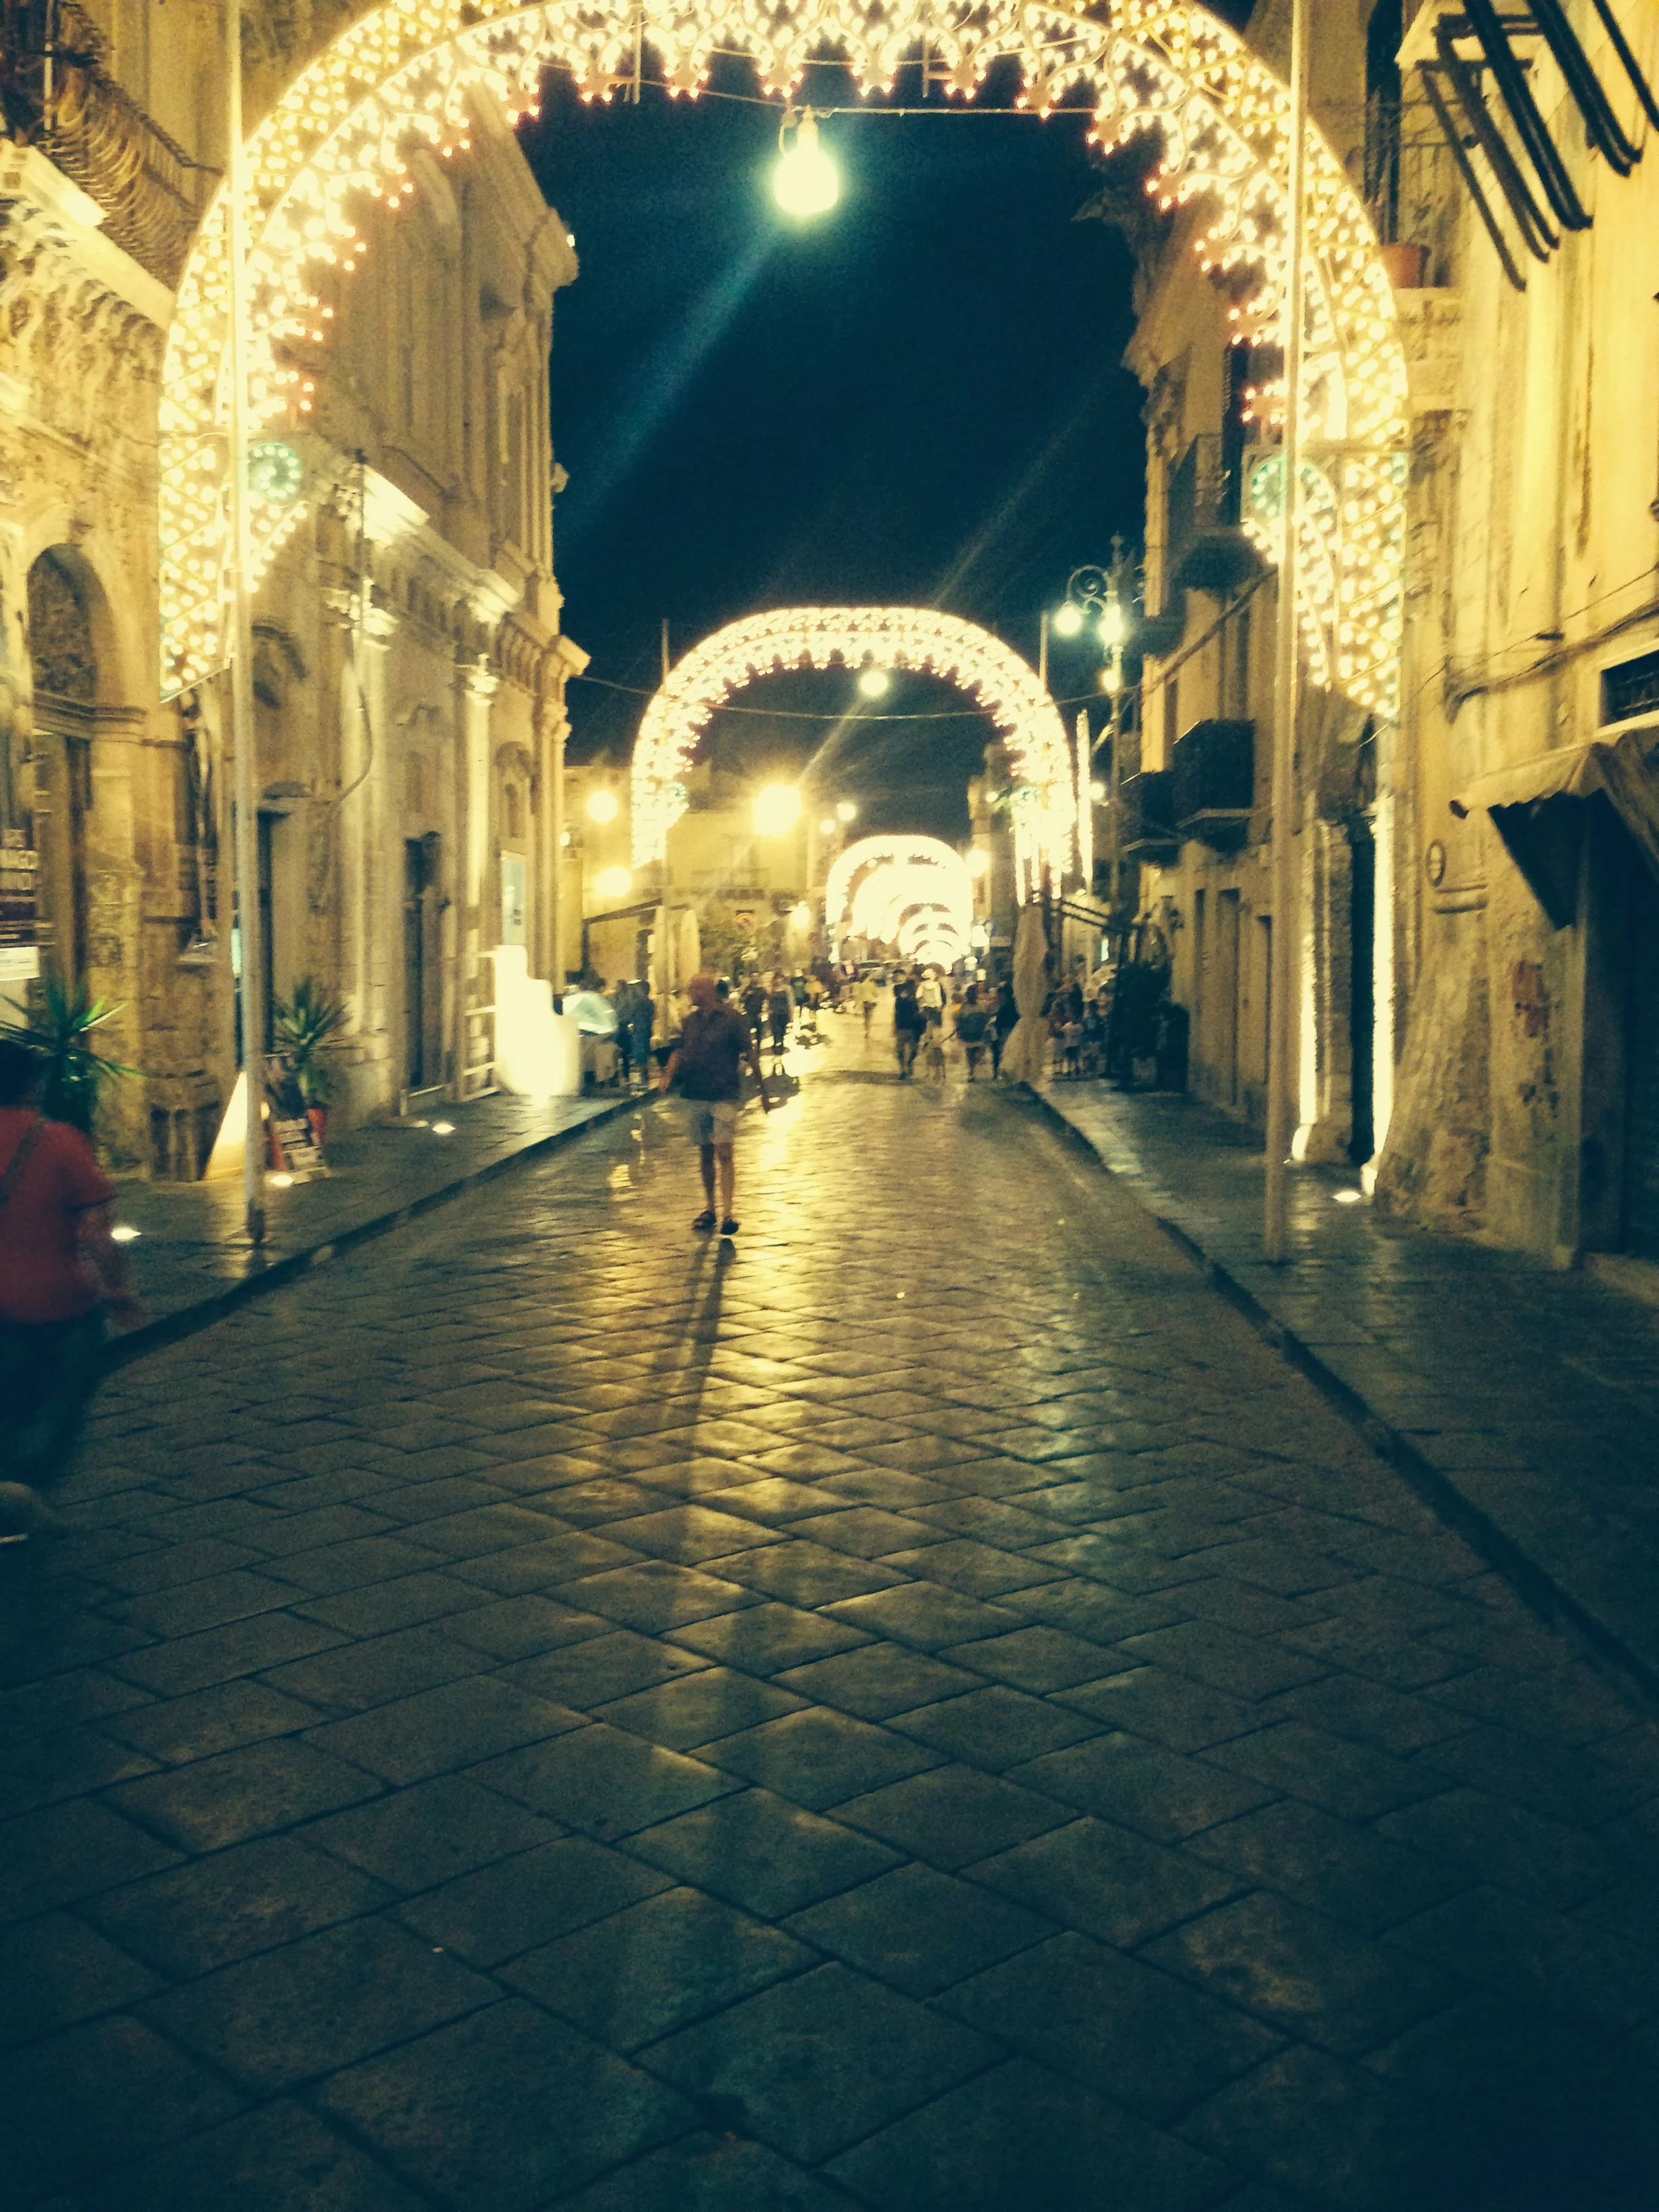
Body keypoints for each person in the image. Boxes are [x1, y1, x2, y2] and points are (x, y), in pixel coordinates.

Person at [0, 1040, 144, 1540]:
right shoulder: (59, 1141)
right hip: (60, 1304)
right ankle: (22, 1491)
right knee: (62, 1398)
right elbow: (95, 1232)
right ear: (32, 1085)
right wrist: (121, 1290)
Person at [659, 970, 769, 1236]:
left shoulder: (732, 1019)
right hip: (697, 1093)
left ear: (707, 991)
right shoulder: (689, 1022)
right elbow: (680, 1051)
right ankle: (710, 1208)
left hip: (724, 1092)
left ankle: (729, 1212)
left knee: (725, 1152)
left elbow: (750, 1052)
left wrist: (763, 1089)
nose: (690, 993)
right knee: (705, 1153)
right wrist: (667, 1076)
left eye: (695, 989)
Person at [956, 983, 991, 1080]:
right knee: (970, 1052)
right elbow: (960, 1020)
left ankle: (973, 1069)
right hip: (969, 1033)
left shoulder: (981, 1005)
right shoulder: (965, 1007)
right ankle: (971, 1071)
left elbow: (985, 1018)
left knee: (977, 1051)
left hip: (978, 1032)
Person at [892, 975, 924, 1078]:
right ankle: (904, 1067)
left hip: (906, 1027)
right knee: (908, 1049)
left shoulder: (911, 999)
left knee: (904, 1050)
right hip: (909, 1028)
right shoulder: (907, 999)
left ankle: (905, 1066)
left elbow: (896, 1013)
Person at [765, 972, 794, 1065]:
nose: (778, 981)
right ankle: (776, 1044)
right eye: (777, 979)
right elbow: (768, 1002)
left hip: (783, 1013)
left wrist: (791, 1014)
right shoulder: (771, 990)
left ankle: (781, 1043)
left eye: (780, 978)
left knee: (782, 1030)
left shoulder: (787, 989)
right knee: (775, 1030)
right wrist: (767, 1011)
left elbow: (790, 1002)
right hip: (774, 1014)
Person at [991, 982, 1017, 1080]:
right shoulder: (1012, 1006)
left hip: (1006, 1034)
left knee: (1002, 1053)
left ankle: (1001, 1072)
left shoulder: (1006, 1008)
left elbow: (1000, 1022)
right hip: (1005, 1033)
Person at [916, 967, 945, 1031]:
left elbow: (918, 996)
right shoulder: (936, 985)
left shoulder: (922, 985)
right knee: (936, 1025)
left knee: (927, 1024)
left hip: (925, 1006)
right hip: (934, 1006)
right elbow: (937, 996)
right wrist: (939, 1005)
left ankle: (928, 1037)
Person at [856, 969, 880, 1040]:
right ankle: (869, 1031)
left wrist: (857, 1004)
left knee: (866, 1018)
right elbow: (876, 994)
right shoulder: (872, 984)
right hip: (871, 1002)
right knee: (870, 1017)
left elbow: (859, 995)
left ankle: (866, 1030)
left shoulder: (862, 985)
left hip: (865, 1003)